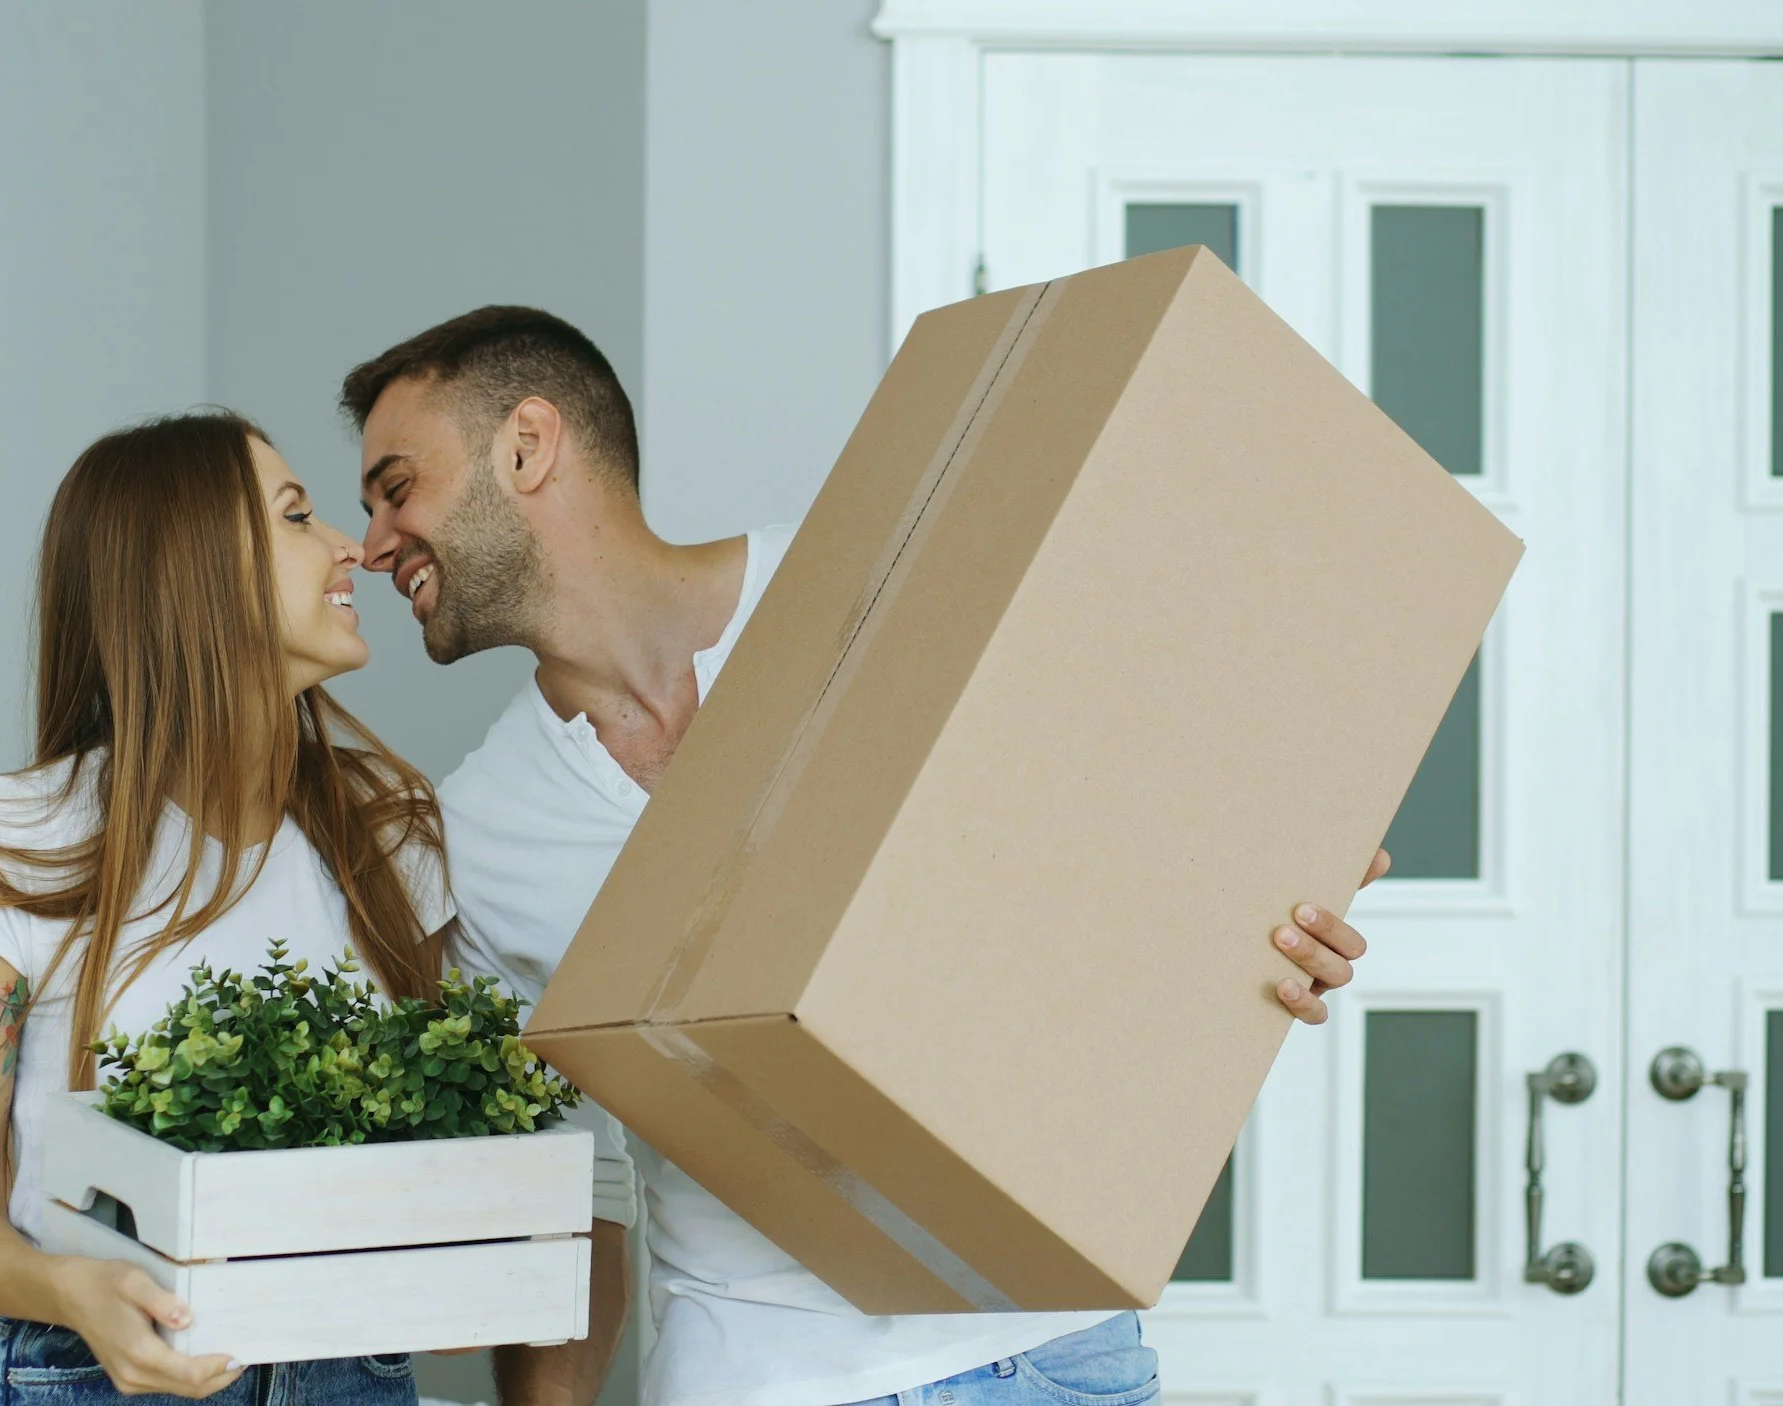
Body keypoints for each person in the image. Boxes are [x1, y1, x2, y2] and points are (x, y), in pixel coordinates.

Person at [342, 307, 1388, 1406]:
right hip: (763, 1373)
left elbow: (1109, 828)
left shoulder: (885, 587)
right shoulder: (477, 832)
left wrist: (1270, 902)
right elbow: (576, 1178)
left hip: (1054, 1350)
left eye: (396, 488)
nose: (372, 544)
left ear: (527, 444)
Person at [0, 411, 458, 1404]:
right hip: (105, 1372)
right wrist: (69, 1288)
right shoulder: (7, 840)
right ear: (189, 569)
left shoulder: (390, 829)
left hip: (353, 1369)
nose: (351, 548)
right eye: (297, 516)